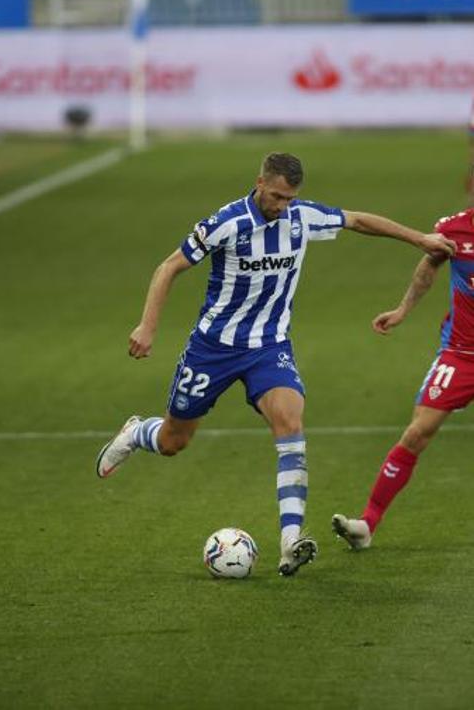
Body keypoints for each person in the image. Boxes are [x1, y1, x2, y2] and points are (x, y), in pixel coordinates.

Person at [95, 152, 456, 577]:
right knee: (175, 441)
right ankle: (138, 432)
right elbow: (169, 266)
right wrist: (147, 326)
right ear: (260, 183)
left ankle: (290, 540)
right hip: (212, 348)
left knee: (290, 423)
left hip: (269, 347)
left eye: (290, 199)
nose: (283, 206)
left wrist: (420, 239)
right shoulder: (227, 222)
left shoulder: (302, 218)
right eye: (278, 196)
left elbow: (357, 220)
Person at [333, 208, 471, 551]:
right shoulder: (454, 229)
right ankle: (367, 524)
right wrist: (403, 310)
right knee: (416, 433)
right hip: (461, 354)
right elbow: (430, 265)